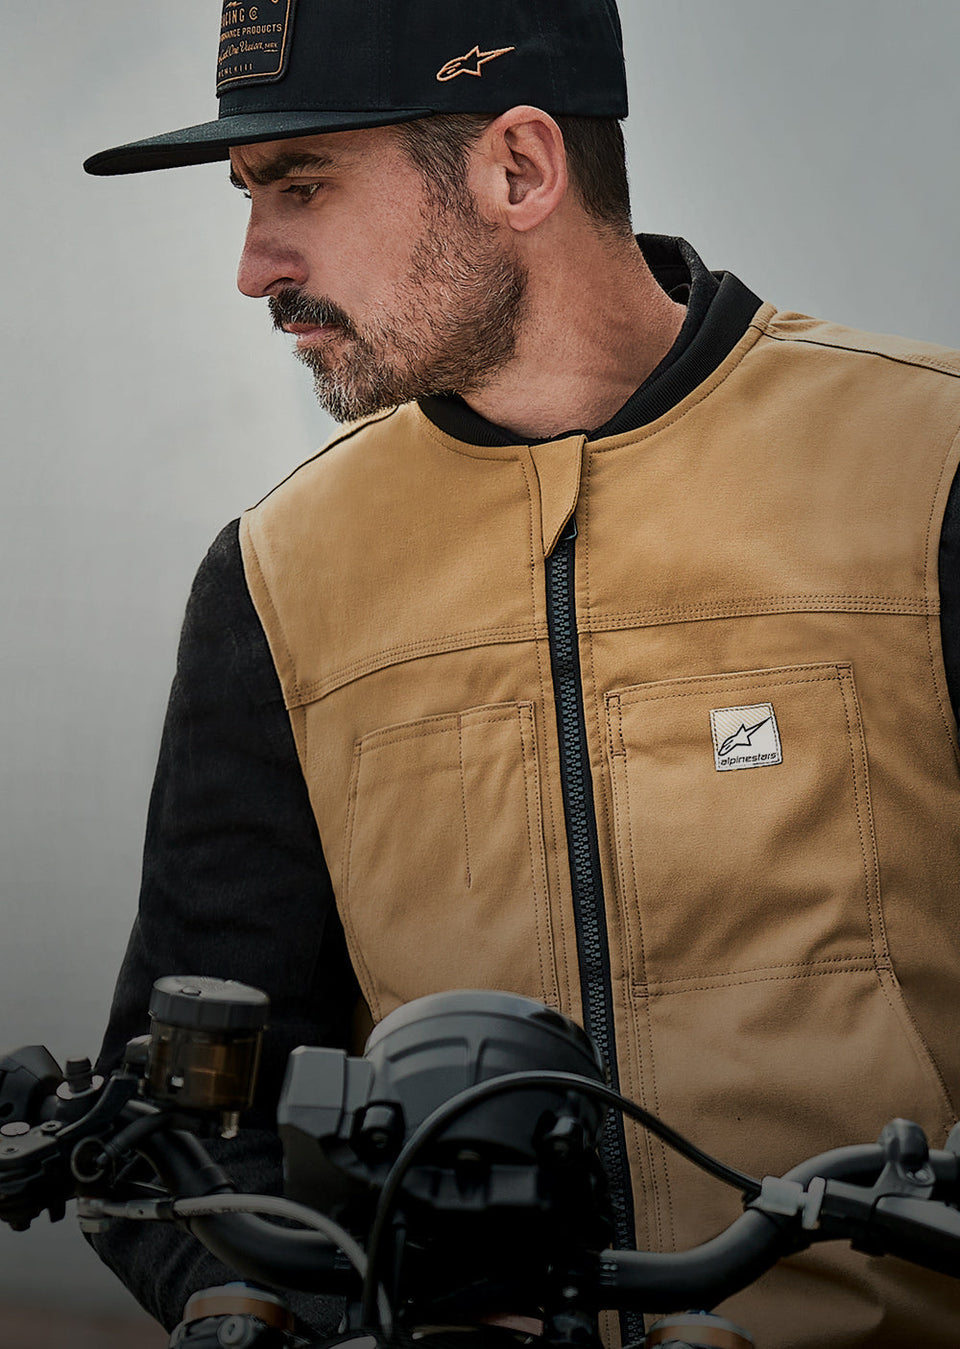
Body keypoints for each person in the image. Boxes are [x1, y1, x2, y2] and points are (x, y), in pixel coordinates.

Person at [83, 1, 960, 1345]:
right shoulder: (276, 574)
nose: (254, 266)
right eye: (247, 193)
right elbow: (191, 1111)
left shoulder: (930, 468)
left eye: (300, 184)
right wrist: (266, 1308)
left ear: (519, 167)